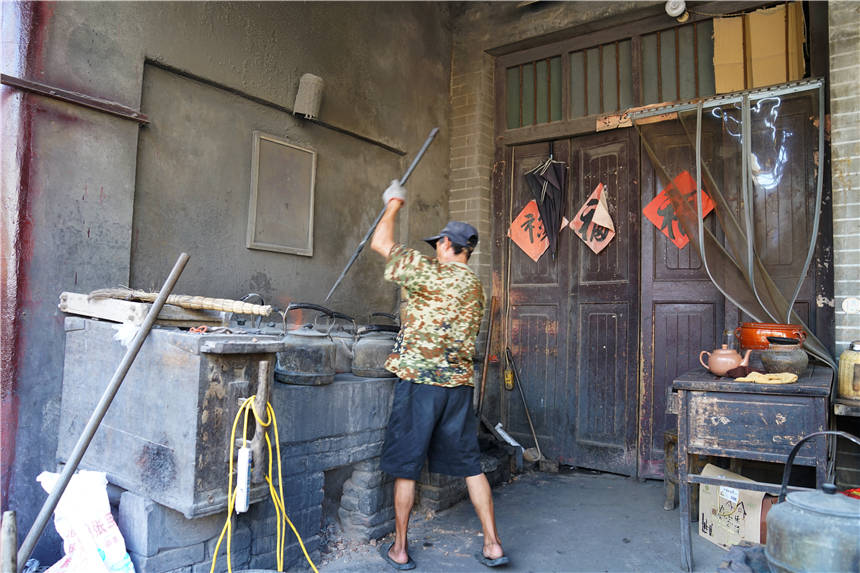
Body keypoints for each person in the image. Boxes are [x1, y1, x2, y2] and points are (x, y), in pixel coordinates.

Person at [370, 179, 508, 570]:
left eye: (438, 245)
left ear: (448, 246)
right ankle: (493, 544)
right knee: (470, 464)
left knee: (406, 465)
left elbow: (382, 243)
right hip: (459, 389)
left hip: (420, 386)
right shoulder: (474, 286)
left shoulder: (430, 274)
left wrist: (394, 204)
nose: (435, 250)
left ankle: (399, 548)